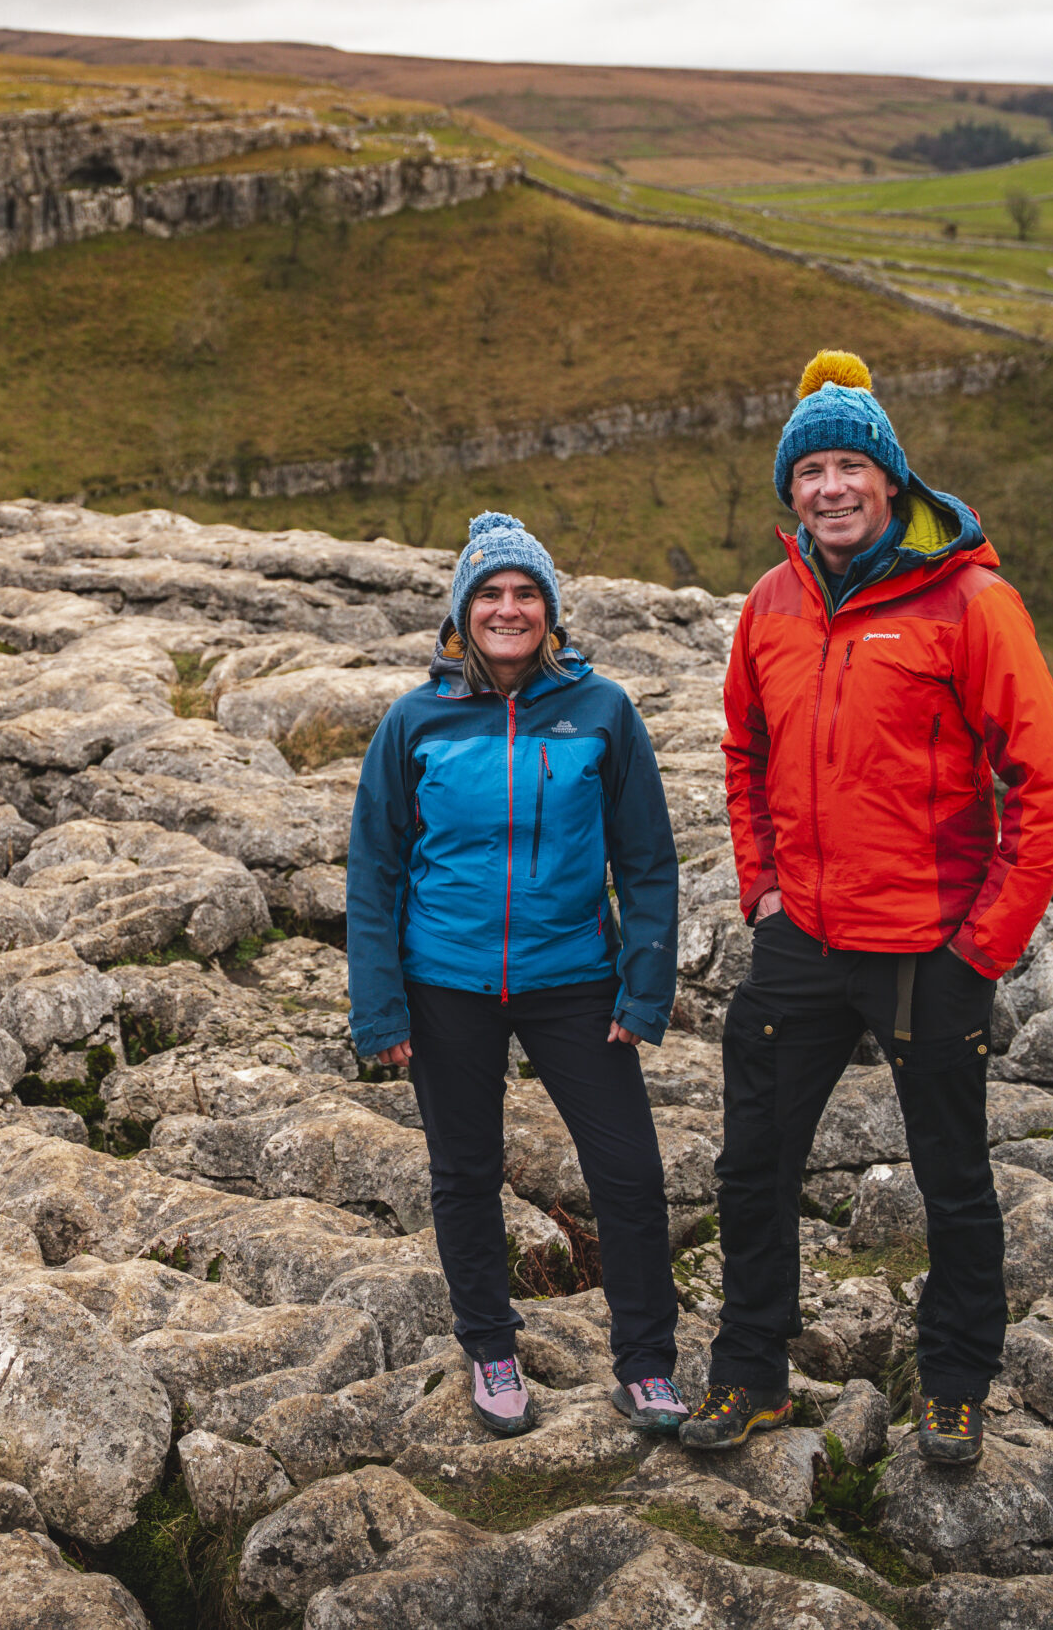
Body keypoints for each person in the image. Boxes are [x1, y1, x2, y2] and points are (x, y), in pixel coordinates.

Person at [683, 351, 1053, 1465]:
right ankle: (751, 1371)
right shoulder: (771, 602)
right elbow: (744, 747)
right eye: (808, 470)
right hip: (799, 940)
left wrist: (984, 945)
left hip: (928, 949)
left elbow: (1047, 781)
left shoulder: (970, 602)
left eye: (848, 463)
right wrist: (758, 883)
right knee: (750, 1167)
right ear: (790, 492)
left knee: (951, 1178)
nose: (829, 488)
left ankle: (954, 1381)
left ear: (891, 477)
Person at [347, 511, 685, 1439]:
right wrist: (378, 1005)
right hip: (445, 980)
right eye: (490, 593)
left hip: (575, 975)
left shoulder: (603, 711)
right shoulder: (416, 719)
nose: (508, 608)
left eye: (525, 593)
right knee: (464, 1171)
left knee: (628, 1172)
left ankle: (647, 1362)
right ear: (462, 612)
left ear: (550, 611)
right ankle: (490, 1345)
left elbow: (648, 862)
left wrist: (644, 989)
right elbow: (373, 868)